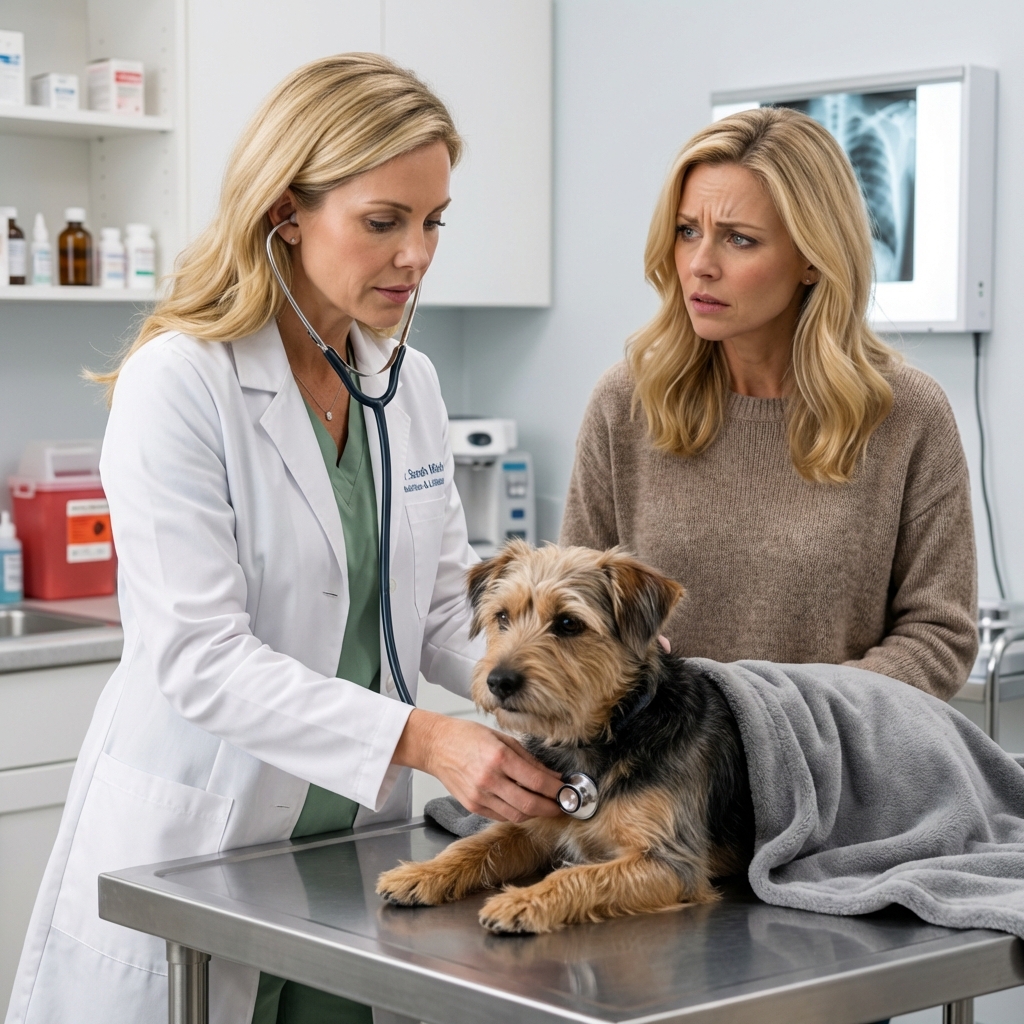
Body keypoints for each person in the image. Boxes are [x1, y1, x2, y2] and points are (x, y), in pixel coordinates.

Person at [6, 54, 561, 1024]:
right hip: (200, 838)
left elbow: (438, 607)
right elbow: (198, 655)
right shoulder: (179, 380)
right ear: (285, 213)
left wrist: (572, 675)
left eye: (432, 222)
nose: (417, 255)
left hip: (345, 854)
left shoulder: (407, 386)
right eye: (382, 221)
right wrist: (429, 738)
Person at [561, 106, 978, 701]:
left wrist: (770, 722)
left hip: (839, 773)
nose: (701, 264)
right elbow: (572, 611)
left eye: (739, 239)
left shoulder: (907, 415)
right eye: (687, 231)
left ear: (812, 258)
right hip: (660, 774)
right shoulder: (626, 401)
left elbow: (939, 635)